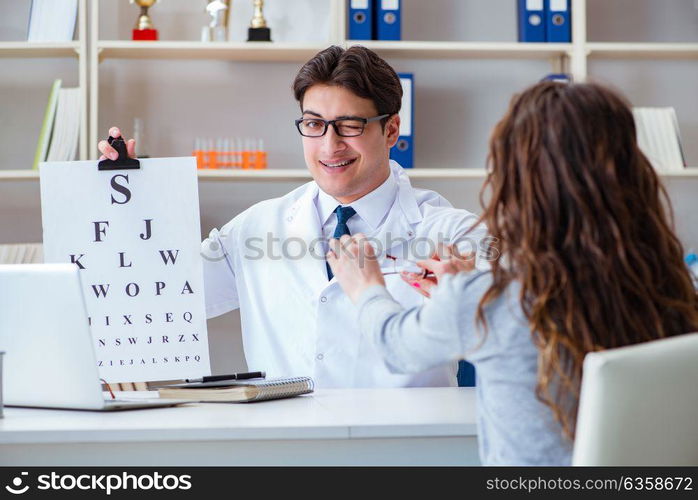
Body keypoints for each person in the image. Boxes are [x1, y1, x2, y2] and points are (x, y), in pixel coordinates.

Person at [327, 81, 698, 464]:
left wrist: (366, 286)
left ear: (520, 185)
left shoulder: (494, 298)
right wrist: (460, 297)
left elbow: (395, 348)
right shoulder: (675, 287)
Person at [98, 45, 488, 388]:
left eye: (349, 125)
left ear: (391, 130)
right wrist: (132, 205)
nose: (329, 145)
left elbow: (521, 305)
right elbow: (158, 297)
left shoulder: (445, 228)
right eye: (314, 125)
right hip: (287, 452)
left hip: (404, 456)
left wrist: (471, 293)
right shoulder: (256, 227)